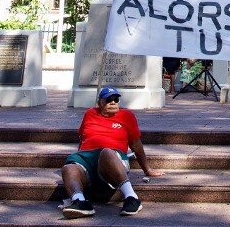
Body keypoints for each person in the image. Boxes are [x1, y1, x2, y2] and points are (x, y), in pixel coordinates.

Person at [61, 86, 164, 218]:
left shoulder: (127, 116)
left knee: (106, 152)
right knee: (69, 167)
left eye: (116, 99)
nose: (113, 102)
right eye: (109, 100)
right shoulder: (90, 113)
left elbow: (136, 145)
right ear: (100, 103)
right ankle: (80, 202)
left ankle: (132, 198)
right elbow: (82, 139)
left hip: (113, 159)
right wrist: (79, 159)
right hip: (87, 159)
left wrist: (147, 169)